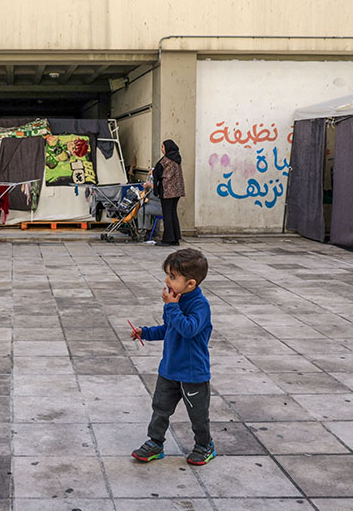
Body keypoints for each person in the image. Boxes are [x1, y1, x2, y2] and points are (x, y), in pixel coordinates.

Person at [129, 248, 215, 466]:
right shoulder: (174, 300)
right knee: (160, 408)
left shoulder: (199, 306)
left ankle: (205, 446)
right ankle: (155, 443)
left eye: (173, 277)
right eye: (167, 274)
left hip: (193, 372)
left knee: (198, 414)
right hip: (169, 369)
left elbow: (188, 329)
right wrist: (146, 332)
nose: (167, 280)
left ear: (191, 284)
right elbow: (170, 329)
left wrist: (173, 307)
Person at [147, 139, 185, 246]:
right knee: (173, 214)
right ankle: (175, 238)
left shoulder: (167, 160)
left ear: (167, 148)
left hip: (168, 191)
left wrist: (153, 172)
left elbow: (160, 172)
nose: (162, 149)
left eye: (162, 147)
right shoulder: (176, 158)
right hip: (176, 191)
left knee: (167, 215)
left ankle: (167, 239)